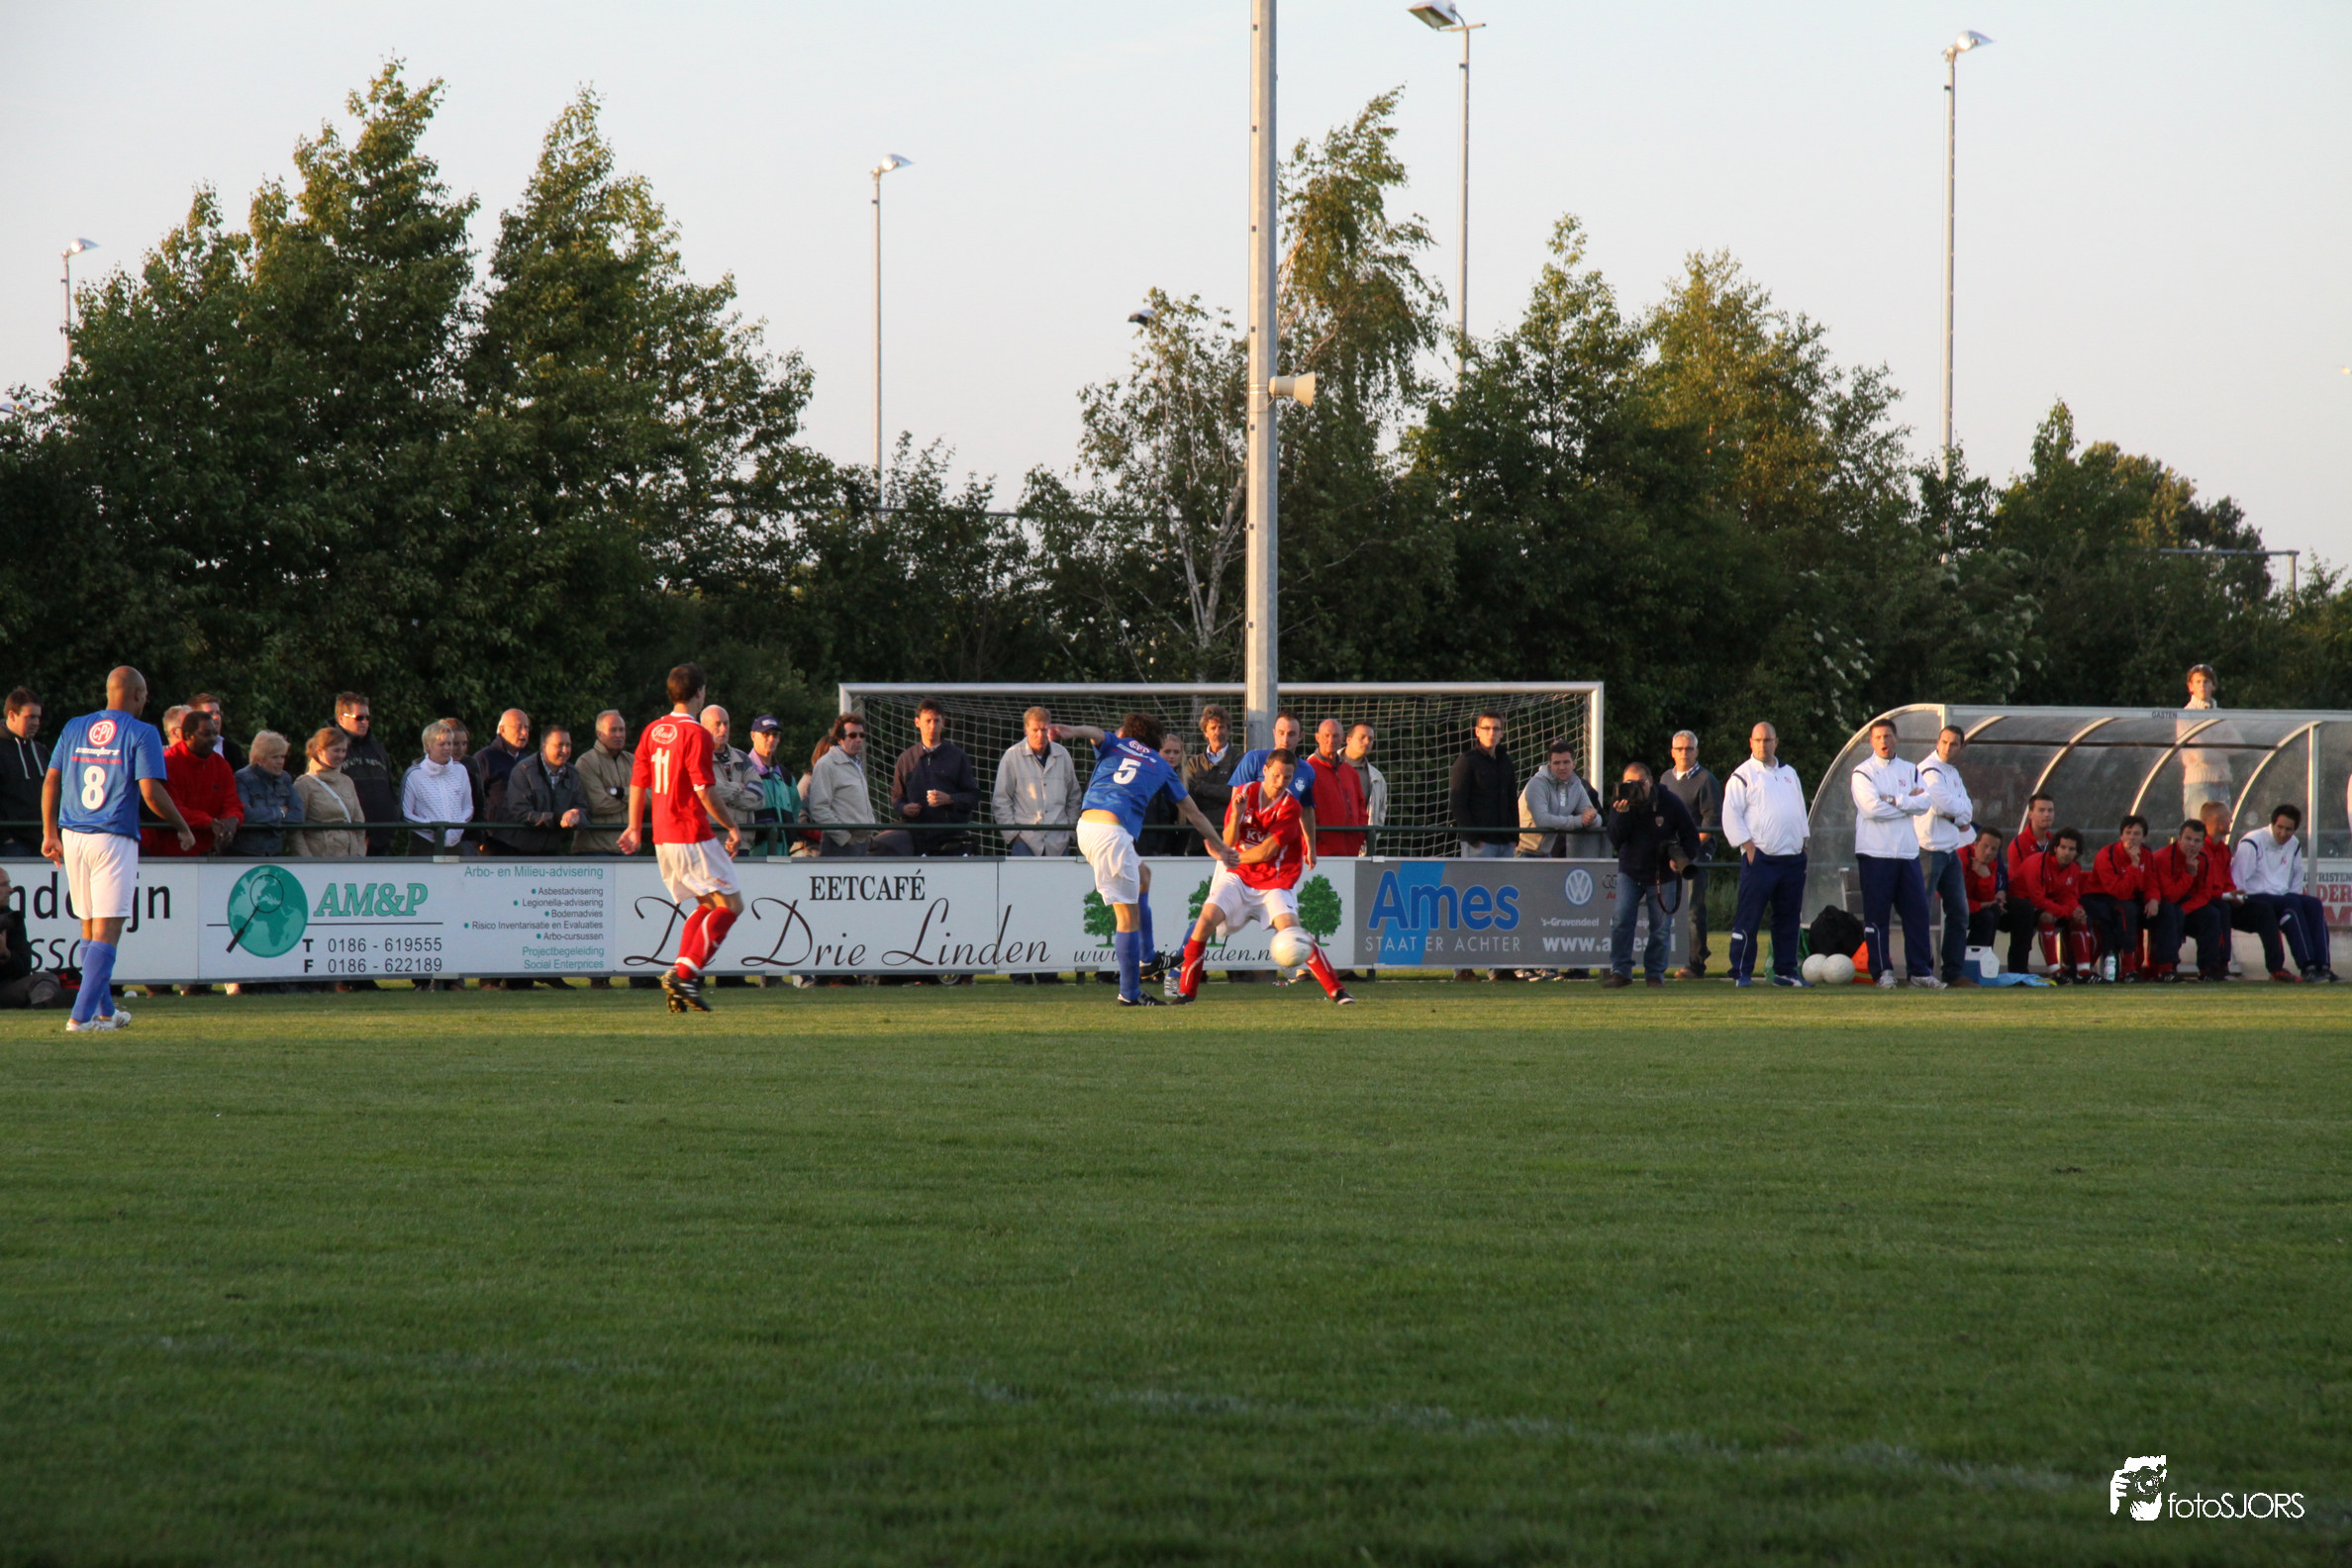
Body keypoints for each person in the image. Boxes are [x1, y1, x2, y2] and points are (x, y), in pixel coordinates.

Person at [43, 666, 195, 1031]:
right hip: (112, 835)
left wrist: (49, 833)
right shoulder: (142, 732)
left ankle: (106, 1012)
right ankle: (80, 1018)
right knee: (109, 928)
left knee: (89, 926)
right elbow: (151, 793)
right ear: (138, 695)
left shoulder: (74, 726)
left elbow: (51, 781)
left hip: (73, 834)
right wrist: (182, 826)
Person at [1075, 712, 1235, 1006]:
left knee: (1143, 876)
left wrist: (1066, 730)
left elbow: (1094, 732)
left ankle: (1148, 957)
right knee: (1127, 918)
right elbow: (1194, 813)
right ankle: (1130, 993)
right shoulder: (1158, 764)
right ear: (1156, 741)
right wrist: (1221, 845)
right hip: (1111, 834)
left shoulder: (1117, 746)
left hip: (1088, 826)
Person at [1170, 748, 1352, 1006]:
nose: (1280, 782)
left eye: (1287, 777)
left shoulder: (1291, 806)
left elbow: (1267, 852)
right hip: (1240, 877)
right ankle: (1186, 994)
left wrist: (1228, 856)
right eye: (1276, 775)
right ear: (1265, 771)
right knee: (1204, 921)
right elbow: (1229, 840)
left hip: (1274, 880)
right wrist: (1236, 815)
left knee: (1293, 931)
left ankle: (1337, 991)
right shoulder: (1245, 793)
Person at [616, 663, 746, 1013]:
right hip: (691, 833)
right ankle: (685, 974)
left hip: (663, 837)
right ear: (700, 692)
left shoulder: (652, 730)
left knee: (707, 905)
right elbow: (704, 790)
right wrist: (732, 827)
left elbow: (638, 782)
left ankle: (679, 974)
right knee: (732, 906)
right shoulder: (696, 733)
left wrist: (634, 827)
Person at [1850, 718, 1941, 989]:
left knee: (1917, 913)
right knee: (1877, 916)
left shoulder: (1910, 770)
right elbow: (1871, 809)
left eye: (1888, 736)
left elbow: (1924, 803)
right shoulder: (1863, 772)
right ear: (1871, 741)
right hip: (1875, 853)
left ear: (1896, 738)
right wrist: (1907, 804)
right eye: (1878, 737)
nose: (1884, 741)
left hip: (1907, 853)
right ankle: (1882, 972)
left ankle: (1920, 972)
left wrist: (1894, 799)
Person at [1722, 722, 1810, 987]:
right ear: (1751, 742)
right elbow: (1730, 814)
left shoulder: (1789, 773)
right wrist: (1748, 847)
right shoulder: (1743, 775)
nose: (1763, 745)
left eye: (1767, 740)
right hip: (1761, 859)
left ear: (1776, 742)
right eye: (1758, 740)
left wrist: (1803, 842)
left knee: (1788, 919)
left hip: (1792, 859)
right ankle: (1741, 971)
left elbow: (1799, 808)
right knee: (1749, 917)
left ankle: (1785, 972)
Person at [1602, 761, 1700, 989]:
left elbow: (1691, 835)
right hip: (1630, 871)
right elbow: (1615, 839)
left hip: (1662, 873)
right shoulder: (1621, 801)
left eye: (1640, 783)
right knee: (1621, 921)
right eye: (1629, 783)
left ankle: (1654, 973)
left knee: (1661, 927)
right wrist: (1622, 815)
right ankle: (1621, 971)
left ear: (1650, 782)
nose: (1635, 788)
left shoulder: (1669, 801)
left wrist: (1682, 859)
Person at [1447, 711, 1517, 982]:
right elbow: (1458, 803)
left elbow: (1511, 799)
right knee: (1472, 905)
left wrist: (1514, 836)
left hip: (1504, 844)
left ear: (1502, 732)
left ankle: (1498, 968)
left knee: (1501, 908)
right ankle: (1462, 967)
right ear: (1477, 731)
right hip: (1480, 845)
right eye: (1486, 728)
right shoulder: (1467, 761)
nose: (1491, 733)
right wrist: (1474, 838)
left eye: (1496, 728)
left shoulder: (1506, 761)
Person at [2233, 803, 2336, 982]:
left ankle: (2323, 966)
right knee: (2291, 904)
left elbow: (2297, 873)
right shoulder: (2252, 841)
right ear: (2272, 824)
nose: (2283, 833)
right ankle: (2308, 966)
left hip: (2280, 896)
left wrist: (2296, 896)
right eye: (2279, 827)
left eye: (2288, 829)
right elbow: (2238, 879)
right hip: (2253, 896)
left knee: (2313, 904)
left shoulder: (2293, 843)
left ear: (2294, 830)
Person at [1913, 725, 1977, 986]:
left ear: (1962, 748)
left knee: (1959, 913)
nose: (1948, 748)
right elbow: (1942, 805)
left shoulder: (1953, 772)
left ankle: (1952, 972)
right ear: (1937, 742)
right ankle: (1920, 971)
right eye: (1944, 742)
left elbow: (1968, 809)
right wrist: (1958, 813)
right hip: (1927, 848)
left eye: (1954, 744)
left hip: (1950, 850)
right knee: (1921, 912)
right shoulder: (1928, 769)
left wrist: (1957, 814)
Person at [877, 698, 979, 857]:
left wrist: (950, 799)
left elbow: (973, 796)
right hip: (916, 840)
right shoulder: (906, 758)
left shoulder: (958, 757)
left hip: (952, 839)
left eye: (936, 721)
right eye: (928, 721)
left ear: (943, 723)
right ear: (917, 722)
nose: (932, 726)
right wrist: (904, 808)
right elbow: (897, 798)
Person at [2197, 801, 2286, 982]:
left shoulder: (2223, 849)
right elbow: (2199, 888)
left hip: (2224, 900)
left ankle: (2276, 968)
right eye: (2227, 817)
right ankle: (2218, 965)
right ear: (2214, 820)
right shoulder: (2199, 849)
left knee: (2264, 909)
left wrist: (2234, 894)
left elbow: (2227, 880)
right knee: (2220, 909)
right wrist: (2226, 896)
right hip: (2205, 903)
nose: (2231, 820)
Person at [1661, 732, 1723, 980]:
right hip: (1669, 853)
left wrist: (1685, 853)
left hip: (1696, 854)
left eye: (1689, 749)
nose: (1684, 753)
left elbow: (1710, 825)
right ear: (1672, 752)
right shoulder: (1665, 779)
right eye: (1679, 749)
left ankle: (1695, 964)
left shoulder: (1706, 780)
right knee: (1666, 908)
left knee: (1692, 910)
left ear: (1696, 751)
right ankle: (1665, 960)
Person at [144, 708, 242, 858]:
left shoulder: (221, 764)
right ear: (188, 736)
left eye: (215, 734)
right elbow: (168, 808)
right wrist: (208, 822)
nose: (213, 739)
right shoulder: (167, 763)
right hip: (171, 853)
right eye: (206, 734)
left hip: (210, 853)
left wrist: (232, 819)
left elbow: (233, 803)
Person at [994, 706, 1084, 858]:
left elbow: (1074, 796)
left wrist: (1070, 832)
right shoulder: (1012, 756)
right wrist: (1013, 835)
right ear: (1026, 730)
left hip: (1059, 841)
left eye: (1044, 730)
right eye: (1035, 730)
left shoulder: (1063, 755)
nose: (1040, 735)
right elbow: (1001, 799)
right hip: (1025, 840)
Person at [2147, 819, 2230, 982]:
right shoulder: (2162, 858)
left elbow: (2205, 893)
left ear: (2202, 844)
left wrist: (2184, 910)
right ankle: (2167, 968)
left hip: (2183, 906)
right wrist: (2189, 874)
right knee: (2171, 912)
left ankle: (2208, 968)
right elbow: (2170, 895)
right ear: (2179, 839)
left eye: (2197, 841)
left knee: (2213, 913)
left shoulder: (2203, 859)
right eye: (2188, 839)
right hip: (2161, 905)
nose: (2191, 844)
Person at [2012, 826, 2095, 983]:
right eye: (2063, 847)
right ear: (2055, 848)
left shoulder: (2074, 867)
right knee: (2047, 917)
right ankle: (2054, 971)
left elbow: (2068, 895)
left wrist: (2076, 909)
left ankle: (2083, 972)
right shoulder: (2037, 864)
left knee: (2080, 917)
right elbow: (2037, 899)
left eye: (2071, 849)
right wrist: (2067, 911)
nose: (2066, 852)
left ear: (2077, 852)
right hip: (2022, 904)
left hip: (2048, 903)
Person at [2081, 816, 2158, 981]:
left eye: (2136, 834)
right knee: (2126, 910)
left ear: (2144, 838)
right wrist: (2134, 865)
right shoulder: (2106, 855)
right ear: (2121, 835)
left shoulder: (2147, 854)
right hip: (2100, 897)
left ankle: (2163, 969)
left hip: (2129, 897)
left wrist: (2153, 899)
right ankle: (2127, 968)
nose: (2131, 837)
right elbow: (2117, 891)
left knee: (2167, 911)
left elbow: (2151, 881)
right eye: (2128, 833)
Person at [500, 727, 590, 856]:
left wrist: (576, 817)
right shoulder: (524, 771)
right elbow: (520, 812)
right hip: (515, 850)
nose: (565, 750)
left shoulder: (573, 774)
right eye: (559, 745)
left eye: (568, 745)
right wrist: (556, 819)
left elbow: (583, 809)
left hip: (552, 851)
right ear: (544, 746)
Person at [2000, 793, 2058, 973]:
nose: (2047, 814)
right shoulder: (2019, 844)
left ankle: (2076, 970)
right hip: (2027, 900)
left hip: (2047, 899)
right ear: (2030, 814)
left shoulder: (2056, 843)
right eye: (2041, 810)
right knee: (2027, 911)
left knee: (2080, 912)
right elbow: (2021, 882)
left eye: (2050, 810)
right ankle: (2021, 970)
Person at [333, 692, 397, 853]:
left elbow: (389, 787)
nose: (365, 722)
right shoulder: (331, 749)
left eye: (368, 718)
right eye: (359, 718)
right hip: (348, 838)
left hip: (381, 836)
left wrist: (392, 821)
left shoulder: (377, 748)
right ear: (341, 719)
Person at [289, 728, 366, 859]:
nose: (341, 755)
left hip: (351, 858)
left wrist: (359, 854)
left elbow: (359, 821)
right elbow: (295, 831)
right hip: (320, 859)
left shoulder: (347, 782)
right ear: (319, 750)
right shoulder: (304, 785)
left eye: (344, 751)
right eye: (336, 750)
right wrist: (307, 861)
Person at [806, 715, 875, 856]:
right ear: (839, 738)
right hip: (839, 845)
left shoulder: (855, 763)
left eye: (862, 735)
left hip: (861, 841)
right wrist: (844, 838)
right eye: (852, 735)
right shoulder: (827, 764)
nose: (859, 739)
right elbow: (818, 808)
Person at [1519, 739, 1599, 858]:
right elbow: (1542, 820)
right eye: (1557, 763)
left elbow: (1597, 820)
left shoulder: (1576, 785)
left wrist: (1591, 818)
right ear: (1550, 766)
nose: (1562, 767)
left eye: (1566, 762)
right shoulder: (1537, 784)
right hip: (1522, 850)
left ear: (1574, 764)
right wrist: (1579, 820)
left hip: (1545, 853)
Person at [401, 720, 473, 853]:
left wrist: (458, 826)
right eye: (442, 744)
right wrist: (431, 827)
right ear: (428, 747)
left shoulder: (461, 770)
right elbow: (406, 813)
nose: (447, 748)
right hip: (424, 844)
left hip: (455, 844)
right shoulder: (414, 774)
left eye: (450, 743)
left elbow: (468, 807)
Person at [0, 865, 62, 1010]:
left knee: (45, 979)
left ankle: (41, 1008)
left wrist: (6, 955)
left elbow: (24, 968)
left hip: (4, 990)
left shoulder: (12, 919)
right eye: (4, 885)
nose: (11, 890)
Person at [1181, 705, 1241, 851]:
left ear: (1228, 730)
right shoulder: (1193, 763)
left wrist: (1201, 787)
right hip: (1198, 838)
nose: (1218, 732)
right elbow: (1190, 797)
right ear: (1205, 733)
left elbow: (1235, 794)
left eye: (1222, 727)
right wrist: (1220, 794)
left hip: (1229, 836)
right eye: (1213, 728)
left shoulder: (1240, 759)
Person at [700, 706, 766, 838]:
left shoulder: (742, 758)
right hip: (709, 840)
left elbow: (759, 797)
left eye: (726, 723)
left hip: (742, 841)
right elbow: (705, 790)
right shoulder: (697, 758)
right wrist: (738, 787)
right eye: (718, 724)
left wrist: (721, 796)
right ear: (703, 728)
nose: (724, 729)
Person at [235, 730, 304, 857]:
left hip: (274, 851)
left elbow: (298, 815)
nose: (280, 762)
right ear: (259, 758)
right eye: (275, 757)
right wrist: (280, 812)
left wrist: (263, 817)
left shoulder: (285, 778)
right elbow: (246, 815)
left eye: (283, 756)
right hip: (246, 852)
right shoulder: (243, 778)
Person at [574, 711, 635, 855]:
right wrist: (635, 800)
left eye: (622, 730)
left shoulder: (633, 761)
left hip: (630, 849)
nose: (619, 735)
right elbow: (598, 804)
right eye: (613, 730)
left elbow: (653, 797)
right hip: (595, 851)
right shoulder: (586, 762)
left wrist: (618, 792)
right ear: (599, 734)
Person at [1306, 719, 1368, 856]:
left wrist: (1359, 836)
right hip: (1320, 853)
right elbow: (1301, 811)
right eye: (1326, 735)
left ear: (1343, 739)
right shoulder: (1307, 771)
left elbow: (1361, 808)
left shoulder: (1350, 772)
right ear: (1317, 738)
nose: (1331, 740)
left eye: (1335, 736)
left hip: (1350, 852)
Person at [2180, 663, 2231, 826]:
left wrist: (2209, 744)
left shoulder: (2221, 714)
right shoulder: (2185, 715)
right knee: (2197, 831)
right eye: (2198, 682)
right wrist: (2222, 747)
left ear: (2213, 686)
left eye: (2207, 681)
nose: (2202, 685)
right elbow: (2201, 754)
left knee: (2222, 830)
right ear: (2190, 687)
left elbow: (2238, 745)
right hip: (2199, 784)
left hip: (2222, 782)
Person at [745, 716, 803, 854]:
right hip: (751, 854)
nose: (771, 739)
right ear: (753, 736)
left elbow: (795, 810)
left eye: (775, 735)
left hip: (781, 853)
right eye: (766, 734)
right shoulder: (742, 769)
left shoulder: (785, 775)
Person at [0, 688, 49, 855]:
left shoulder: (40, 751)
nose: (36, 722)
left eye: (38, 717)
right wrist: (5, 838)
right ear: (12, 715)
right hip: (11, 846)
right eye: (30, 717)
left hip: (42, 841)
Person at [470, 710, 534, 835]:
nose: (524, 733)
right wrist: (478, 837)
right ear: (502, 729)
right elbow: (472, 801)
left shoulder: (527, 761)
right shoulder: (484, 758)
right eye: (519, 727)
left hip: (523, 835)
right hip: (493, 836)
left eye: (527, 728)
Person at [1138, 733, 1196, 856]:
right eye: (1167, 752)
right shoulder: (1148, 779)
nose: (1171, 756)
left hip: (1174, 847)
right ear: (1158, 752)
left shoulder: (1187, 783)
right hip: (1149, 845)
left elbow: (1187, 821)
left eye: (1176, 752)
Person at [1962, 828, 2008, 949]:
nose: (1988, 852)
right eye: (1985, 846)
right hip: (1951, 909)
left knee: (1994, 910)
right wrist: (1980, 905)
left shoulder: (1992, 862)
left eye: (1994, 849)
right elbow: (1954, 900)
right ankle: (1971, 956)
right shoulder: (1961, 857)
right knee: (1986, 916)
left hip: (1972, 906)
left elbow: (1987, 898)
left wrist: (1986, 876)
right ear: (1975, 844)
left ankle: (1984, 955)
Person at [187, 693, 245, 771]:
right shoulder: (187, 749)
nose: (216, 717)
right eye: (210, 714)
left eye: (218, 713)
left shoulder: (233, 750)